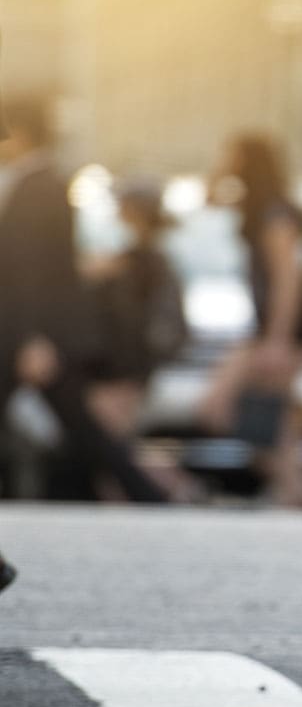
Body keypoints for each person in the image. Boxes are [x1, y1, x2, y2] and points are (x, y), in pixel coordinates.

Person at [0, 98, 167, 503]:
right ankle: (151, 495)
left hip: (30, 336)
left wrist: (32, 337)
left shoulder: (36, 187)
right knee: (85, 429)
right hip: (36, 334)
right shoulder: (44, 184)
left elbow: (33, 271)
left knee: (87, 432)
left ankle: (151, 495)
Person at [199, 133, 302, 507]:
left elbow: (289, 277)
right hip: (265, 326)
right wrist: (219, 173)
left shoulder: (276, 214)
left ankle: (295, 487)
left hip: (281, 327)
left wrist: (278, 339)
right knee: (275, 417)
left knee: (222, 405)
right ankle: (296, 487)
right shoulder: (258, 207)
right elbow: (208, 199)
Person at [82, 179, 196, 501]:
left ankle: (180, 487)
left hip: (127, 368)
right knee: (114, 446)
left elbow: (133, 326)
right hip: (130, 367)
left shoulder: (142, 262)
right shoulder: (139, 258)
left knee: (115, 446)